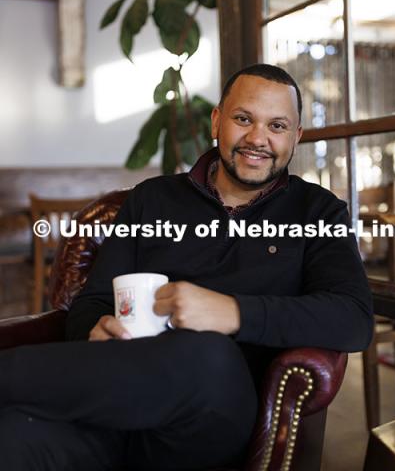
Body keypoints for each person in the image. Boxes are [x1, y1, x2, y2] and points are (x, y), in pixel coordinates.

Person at [0, 64, 373, 470]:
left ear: (296, 137)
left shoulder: (317, 211)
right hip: (114, 410)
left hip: (215, 416)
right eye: (243, 118)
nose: (257, 138)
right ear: (217, 120)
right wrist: (95, 325)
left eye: (277, 126)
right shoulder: (151, 201)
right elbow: (93, 299)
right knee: (15, 432)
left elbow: (353, 317)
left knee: (207, 354)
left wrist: (231, 313)